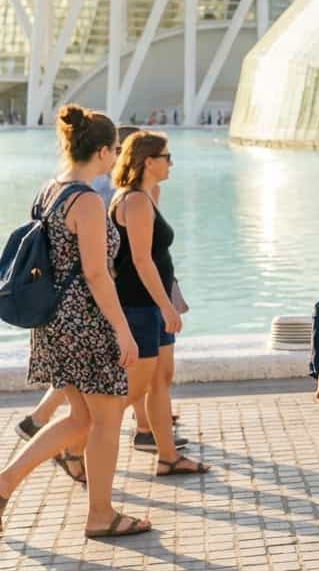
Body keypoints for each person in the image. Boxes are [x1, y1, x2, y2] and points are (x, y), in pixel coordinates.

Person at [0, 105, 152, 538]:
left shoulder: (50, 190)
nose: (117, 157)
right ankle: (100, 515)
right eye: (115, 150)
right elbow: (96, 273)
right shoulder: (86, 200)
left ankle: (5, 483)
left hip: (53, 323)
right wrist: (122, 330)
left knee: (81, 418)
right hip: (86, 324)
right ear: (102, 151)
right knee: (106, 420)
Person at [105, 131, 204, 474]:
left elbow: (156, 256)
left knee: (161, 379)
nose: (171, 163)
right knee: (135, 388)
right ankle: (74, 443)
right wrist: (165, 306)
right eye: (167, 157)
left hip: (153, 303)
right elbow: (141, 260)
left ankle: (168, 456)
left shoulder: (149, 194)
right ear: (149, 161)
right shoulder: (133, 200)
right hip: (140, 306)